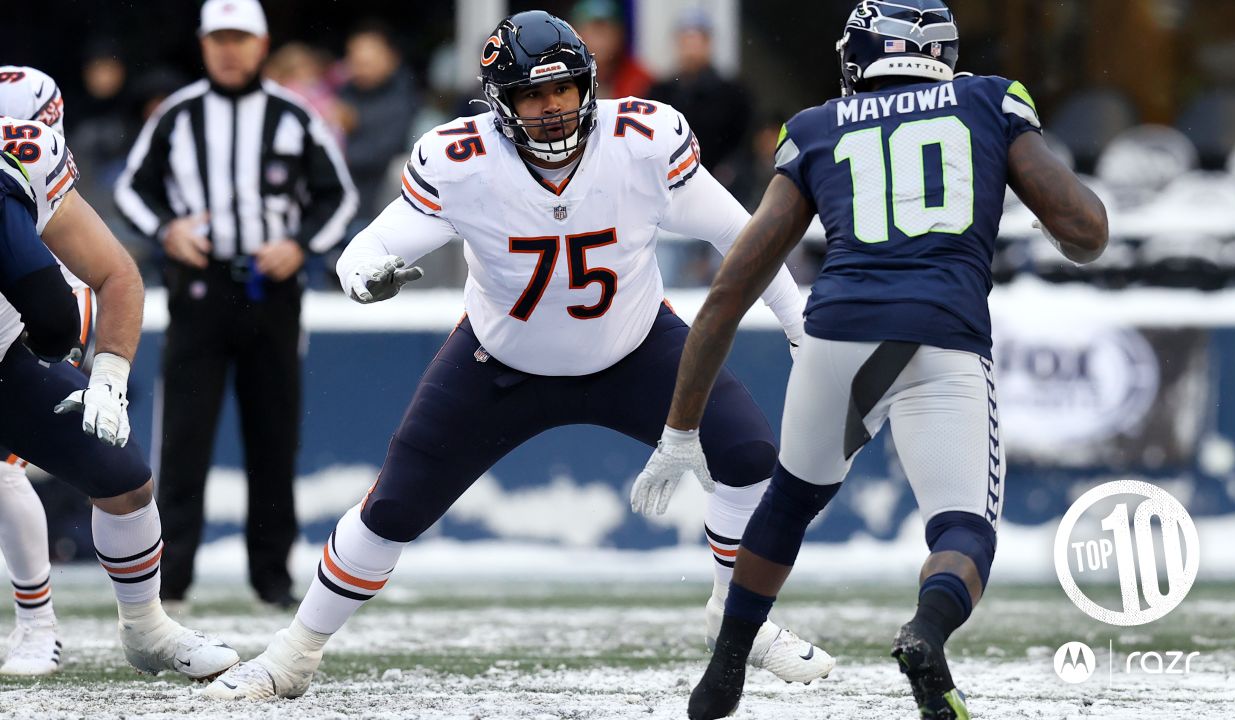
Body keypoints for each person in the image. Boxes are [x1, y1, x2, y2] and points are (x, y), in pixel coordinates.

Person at [204, 10, 833, 700]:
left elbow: (746, 243)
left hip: (635, 346)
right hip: (500, 362)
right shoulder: (461, 161)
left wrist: (800, 326)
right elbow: (367, 251)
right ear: (500, 106)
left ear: (588, 86)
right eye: (531, 96)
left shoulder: (644, 142)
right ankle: (293, 653)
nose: (551, 108)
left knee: (747, 453)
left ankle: (731, 615)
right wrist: (366, 278)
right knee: (392, 509)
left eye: (562, 89)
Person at [631, 2, 1109, 719]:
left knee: (789, 501)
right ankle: (926, 631)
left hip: (839, 333)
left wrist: (680, 427)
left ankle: (725, 670)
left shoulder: (817, 126)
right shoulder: (988, 100)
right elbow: (1086, 233)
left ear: (860, 58)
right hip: (940, 335)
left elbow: (731, 290)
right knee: (961, 528)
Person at [114, 0, 358, 611]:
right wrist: (168, 230)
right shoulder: (177, 114)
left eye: (239, 38)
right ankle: (171, 579)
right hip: (199, 289)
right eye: (218, 38)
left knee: (273, 436)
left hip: (272, 293)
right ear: (203, 44)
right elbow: (131, 189)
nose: (229, 49)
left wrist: (299, 245)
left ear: (261, 44)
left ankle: (271, 576)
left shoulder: (293, 115)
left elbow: (339, 196)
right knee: (185, 437)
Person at [0, 110, 241, 680]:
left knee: (122, 478)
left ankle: (147, 628)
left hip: (6, 356)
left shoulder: (20, 156)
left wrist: (108, 380)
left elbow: (115, 274)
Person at [0, 65, 92, 676]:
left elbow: (80, 263)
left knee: (4, 471)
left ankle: (37, 624)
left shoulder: (35, 158)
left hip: (26, 315)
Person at [648, 9, 751, 175]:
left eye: (697, 40)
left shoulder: (732, 95)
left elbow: (742, 145)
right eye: (686, 40)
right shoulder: (659, 92)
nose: (691, 48)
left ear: (708, 43)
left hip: (718, 181)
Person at [338, 22, 418, 228]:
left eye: (368, 61)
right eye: (355, 60)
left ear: (391, 58)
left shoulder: (403, 99)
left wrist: (341, 138)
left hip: (380, 210)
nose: (361, 67)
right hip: (340, 208)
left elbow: (381, 153)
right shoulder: (343, 93)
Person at [572, 0, 651, 98]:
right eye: (594, 30)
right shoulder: (565, 77)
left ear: (620, 34)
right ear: (576, 36)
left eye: (606, 30)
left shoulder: (641, 81)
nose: (600, 40)